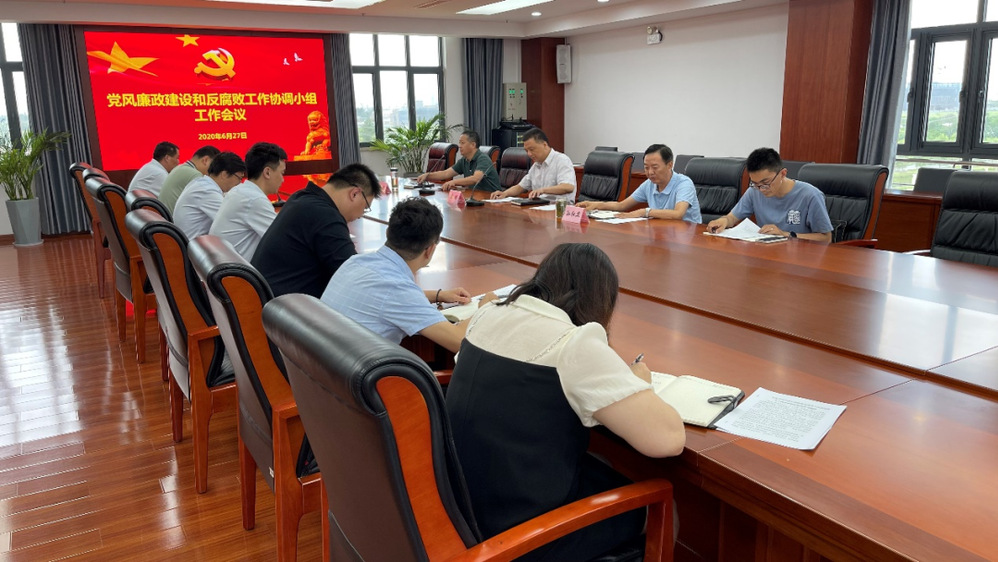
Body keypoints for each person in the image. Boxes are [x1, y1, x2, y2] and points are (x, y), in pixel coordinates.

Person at [445, 243, 685, 561]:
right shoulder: (573, 343)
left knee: (602, 462)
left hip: (461, 505)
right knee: (665, 507)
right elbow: (668, 441)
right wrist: (642, 383)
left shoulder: (487, 314)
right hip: (522, 533)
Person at [320, 197, 493, 354]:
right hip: (360, 377)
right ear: (430, 250)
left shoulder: (355, 262)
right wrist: (486, 308)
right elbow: (461, 342)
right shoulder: (397, 289)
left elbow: (385, 297)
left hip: (324, 368)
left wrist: (438, 295)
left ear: (388, 233)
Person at [252, 163, 381, 299]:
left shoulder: (302, 197)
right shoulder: (325, 215)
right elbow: (352, 276)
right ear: (354, 193)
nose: (361, 215)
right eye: (365, 207)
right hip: (283, 306)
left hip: (268, 299)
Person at [707, 148, 833, 243]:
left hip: (800, 259)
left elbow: (826, 238)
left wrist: (785, 234)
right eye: (755, 183)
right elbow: (732, 218)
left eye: (765, 183)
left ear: (782, 174)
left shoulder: (810, 195)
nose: (761, 189)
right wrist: (723, 221)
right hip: (768, 255)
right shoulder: (754, 191)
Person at [577, 144, 702, 223]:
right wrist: (595, 205)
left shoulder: (684, 183)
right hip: (662, 232)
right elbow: (622, 206)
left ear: (670, 165)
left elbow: (678, 214)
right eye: (646, 167)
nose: (650, 172)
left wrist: (644, 212)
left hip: (688, 236)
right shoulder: (649, 184)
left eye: (655, 167)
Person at [209, 142, 286, 259]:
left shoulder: (240, 191)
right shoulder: (254, 200)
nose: (283, 179)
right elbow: (284, 240)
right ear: (267, 172)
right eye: (282, 173)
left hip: (226, 263)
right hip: (238, 269)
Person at [173, 152, 246, 240]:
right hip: (192, 246)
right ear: (224, 174)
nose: (239, 183)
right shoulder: (207, 191)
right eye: (239, 178)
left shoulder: (202, 184)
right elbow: (231, 222)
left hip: (193, 242)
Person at [490, 127, 577, 201]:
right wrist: (504, 193)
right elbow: (521, 186)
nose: (529, 154)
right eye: (526, 151)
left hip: (559, 209)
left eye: (532, 149)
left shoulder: (561, 160)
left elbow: (568, 187)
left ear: (544, 145)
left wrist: (543, 190)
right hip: (539, 207)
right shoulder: (536, 165)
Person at [416, 130, 500, 194]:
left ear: (473, 145)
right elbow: (446, 173)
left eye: (462, 143)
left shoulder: (483, 158)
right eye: (459, 143)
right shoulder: (464, 160)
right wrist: (427, 176)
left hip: (491, 198)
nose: (459, 146)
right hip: (475, 197)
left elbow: (476, 178)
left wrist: (454, 182)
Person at [157, 145, 220, 213]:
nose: (213, 172)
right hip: (172, 218)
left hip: (164, 215)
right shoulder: (196, 175)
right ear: (205, 160)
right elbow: (212, 203)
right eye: (213, 166)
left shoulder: (180, 168)